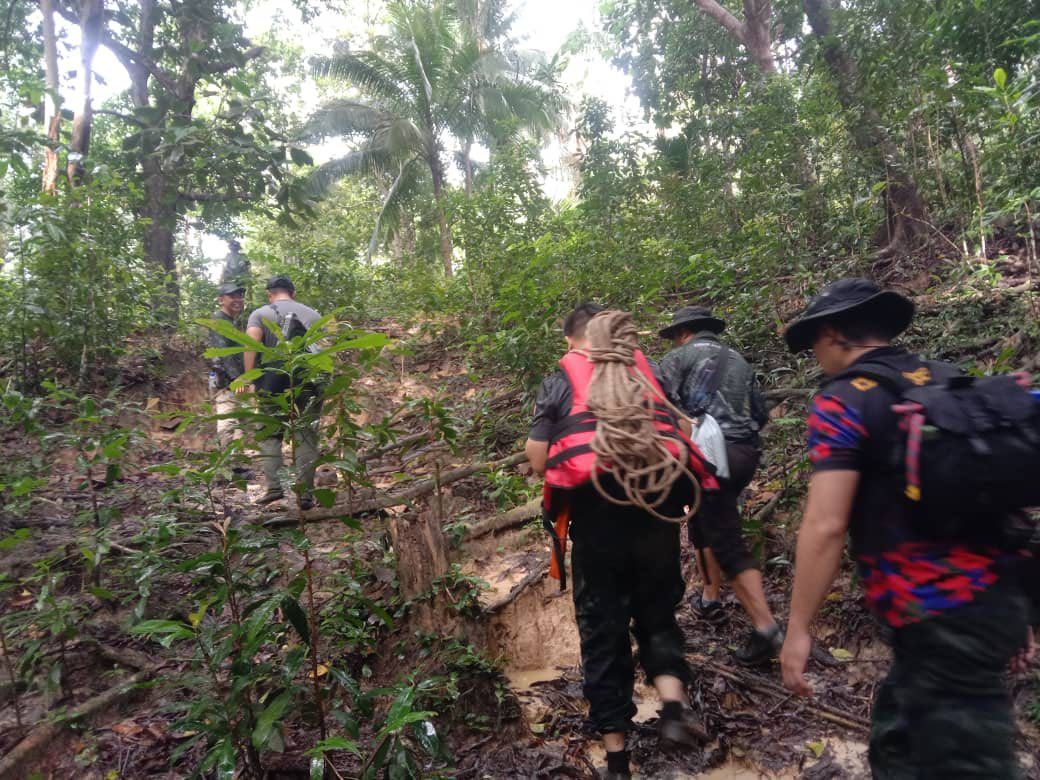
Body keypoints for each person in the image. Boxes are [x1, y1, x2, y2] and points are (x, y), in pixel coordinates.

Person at [779, 278, 1037, 777]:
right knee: (895, 743)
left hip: (940, 616)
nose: (815, 355)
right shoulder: (947, 379)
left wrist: (798, 628)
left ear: (832, 334)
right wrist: (1017, 606)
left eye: (813, 342)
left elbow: (826, 524)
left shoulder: (844, 400)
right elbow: (994, 500)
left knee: (969, 765)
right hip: (983, 602)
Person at [525, 302, 718, 780]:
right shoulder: (644, 374)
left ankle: (616, 758)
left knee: (602, 631)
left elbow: (538, 458)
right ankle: (672, 708)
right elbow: (683, 429)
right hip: (656, 511)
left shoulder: (561, 381)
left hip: (598, 520)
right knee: (658, 614)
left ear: (570, 339)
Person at [658, 305, 781, 665]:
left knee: (727, 541)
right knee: (705, 519)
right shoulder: (737, 360)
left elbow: (658, 406)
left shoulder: (678, 358)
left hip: (709, 457)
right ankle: (709, 598)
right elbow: (760, 414)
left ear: (683, 333)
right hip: (744, 453)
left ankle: (766, 628)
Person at [243, 274, 323, 508]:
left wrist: (249, 378)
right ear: (293, 293)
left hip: (273, 381)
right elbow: (324, 350)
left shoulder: (260, 314)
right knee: (306, 435)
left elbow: (251, 345)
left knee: (270, 435)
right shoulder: (313, 314)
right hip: (308, 380)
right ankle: (305, 494)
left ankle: (274, 489)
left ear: (270, 295)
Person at [207, 282, 249, 473]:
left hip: (236, 380)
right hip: (226, 381)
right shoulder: (219, 321)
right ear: (221, 300)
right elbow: (223, 354)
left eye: (240, 296)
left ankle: (236, 466)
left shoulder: (230, 321)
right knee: (228, 421)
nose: (238, 300)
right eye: (233, 296)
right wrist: (236, 378)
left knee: (239, 422)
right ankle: (225, 469)